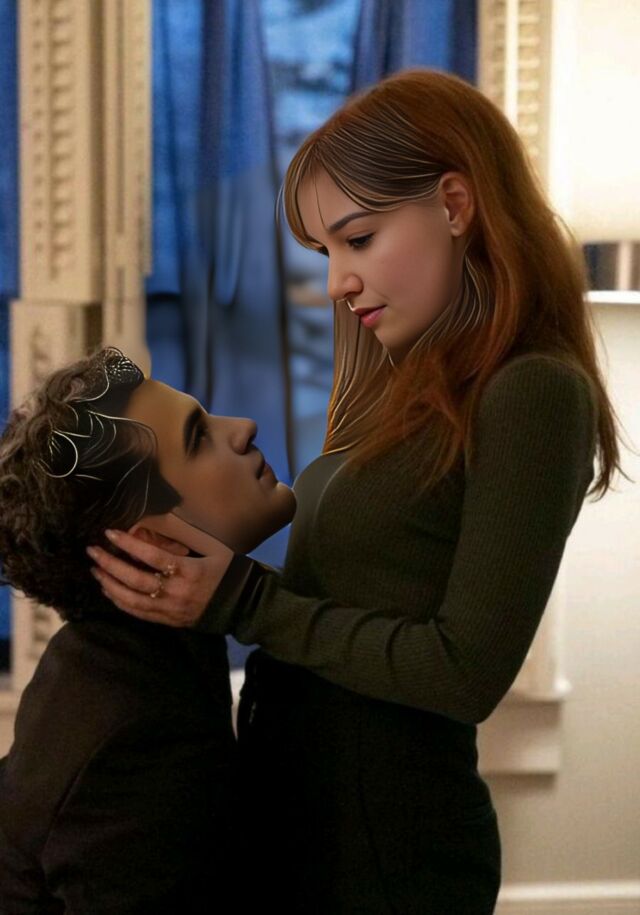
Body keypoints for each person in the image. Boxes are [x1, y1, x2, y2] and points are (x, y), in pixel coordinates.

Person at [89, 69, 626, 914]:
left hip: (387, 854)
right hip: (304, 830)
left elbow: (465, 671)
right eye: (326, 253)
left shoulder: (532, 391)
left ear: (455, 204)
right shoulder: (403, 384)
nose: (338, 280)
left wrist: (242, 598)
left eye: (359, 239)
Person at [0, 346, 295, 914]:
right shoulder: (140, 731)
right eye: (198, 438)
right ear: (149, 544)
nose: (243, 428)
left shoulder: (104, 657)